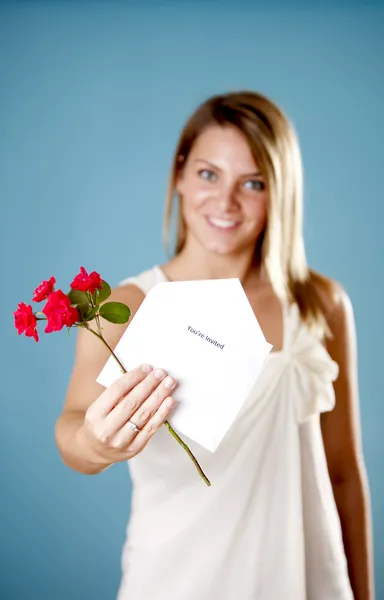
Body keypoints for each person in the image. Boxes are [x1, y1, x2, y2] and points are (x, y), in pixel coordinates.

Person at [55, 91, 374, 600]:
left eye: (253, 183)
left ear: (280, 193)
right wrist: (97, 443)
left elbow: (343, 474)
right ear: (179, 176)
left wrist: (363, 592)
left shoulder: (319, 304)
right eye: (208, 175)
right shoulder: (128, 306)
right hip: (175, 581)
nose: (225, 203)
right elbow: (72, 428)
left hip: (308, 580)